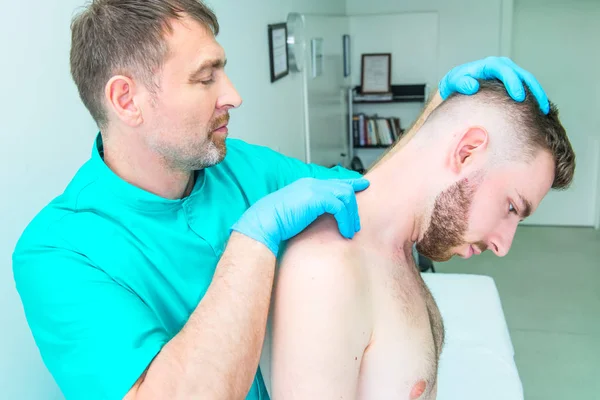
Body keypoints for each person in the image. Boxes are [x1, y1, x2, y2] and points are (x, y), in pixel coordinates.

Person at [11, 1, 551, 399]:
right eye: (206, 78)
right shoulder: (58, 254)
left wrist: (438, 118)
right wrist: (253, 240)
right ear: (126, 99)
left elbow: (373, 194)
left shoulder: (235, 163)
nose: (233, 94)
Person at [269, 80, 575, 399]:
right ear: (467, 151)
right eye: (510, 207)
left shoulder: (401, 242)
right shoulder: (327, 270)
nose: (503, 245)